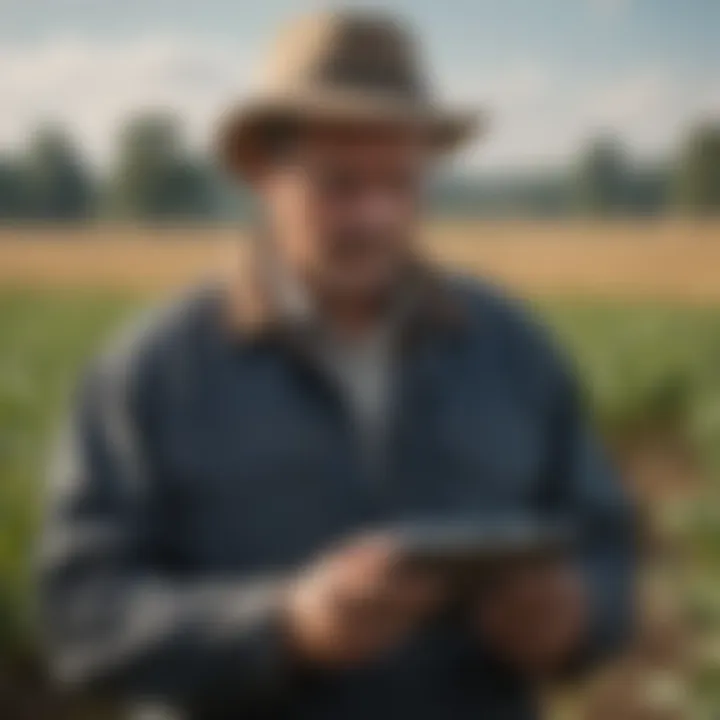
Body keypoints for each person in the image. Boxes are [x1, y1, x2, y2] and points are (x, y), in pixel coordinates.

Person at [39, 11, 635, 720]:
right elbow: (79, 616)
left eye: (400, 183)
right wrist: (282, 624)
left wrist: (576, 617)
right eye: (339, 185)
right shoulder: (152, 372)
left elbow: (607, 552)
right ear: (263, 172)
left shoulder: (514, 352)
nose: (375, 216)